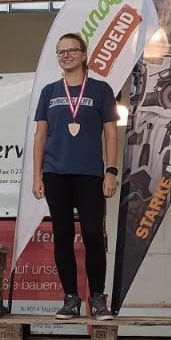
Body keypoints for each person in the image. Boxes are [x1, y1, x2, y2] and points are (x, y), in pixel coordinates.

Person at [31, 33, 120, 319]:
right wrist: (36, 176)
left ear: (84, 54)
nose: (66, 55)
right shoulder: (49, 92)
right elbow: (40, 135)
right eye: (61, 52)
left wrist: (111, 171)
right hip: (55, 174)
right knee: (63, 235)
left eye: (71, 50)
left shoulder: (101, 90)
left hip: (90, 174)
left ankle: (98, 298)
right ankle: (70, 298)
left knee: (93, 234)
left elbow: (111, 133)